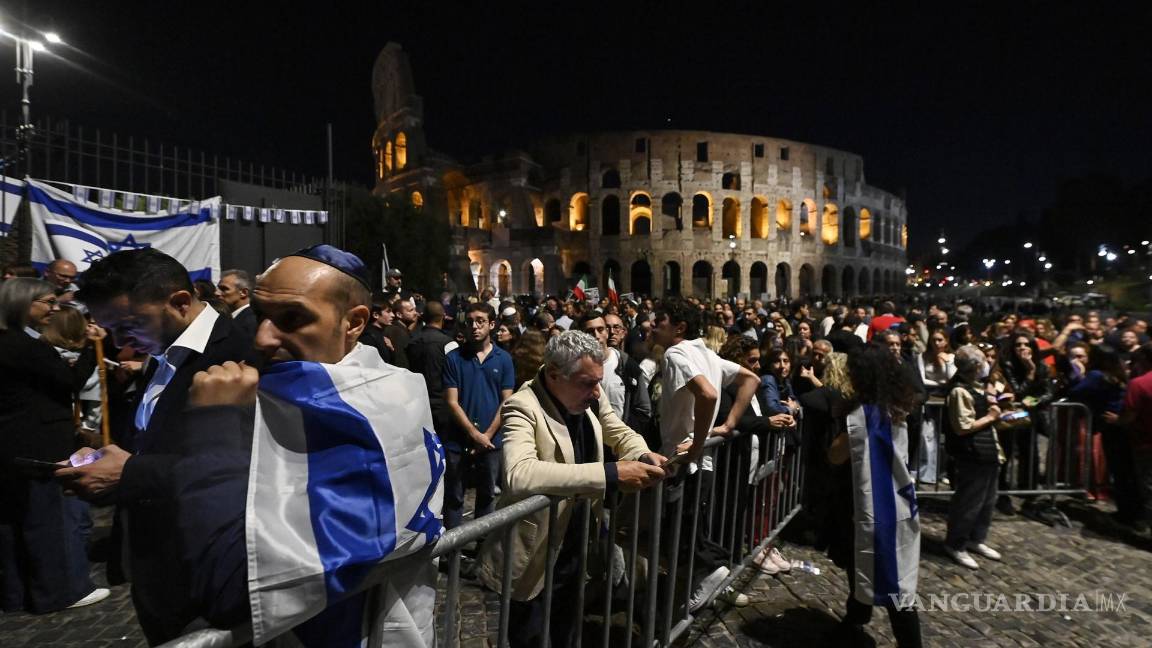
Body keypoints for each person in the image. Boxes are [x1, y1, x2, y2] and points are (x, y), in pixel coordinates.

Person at [167, 244, 442, 645]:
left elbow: (232, 589)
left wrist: (214, 423)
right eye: (261, 315)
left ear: (354, 322)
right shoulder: (390, 385)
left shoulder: (356, 421)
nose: (261, 337)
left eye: (293, 318)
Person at [55, 248, 252, 645]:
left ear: (179, 302)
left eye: (128, 325)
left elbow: (248, 467)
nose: (118, 341)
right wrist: (98, 461)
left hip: (209, 571)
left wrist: (128, 473)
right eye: (109, 328)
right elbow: (149, 439)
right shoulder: (163, 349)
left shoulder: (241, 353)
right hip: (157, 565)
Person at [476, 331, 666, 648]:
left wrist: (641, 453)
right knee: (530, 636)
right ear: (554, 374)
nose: (596, 392)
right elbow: (519, 473)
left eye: (598, 382)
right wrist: (611, 473)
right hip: (534, 552)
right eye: (587, 384)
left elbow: (615, 428)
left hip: (576, 543)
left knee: (568, 630)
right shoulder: (523, 406)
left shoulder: (589, 389)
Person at [0, 278, 109, 613]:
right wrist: (92, 348)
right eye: (47, 302)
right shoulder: (24, 346)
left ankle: (14, 595)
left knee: (11, 524)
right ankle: (59, 593)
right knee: (46, 522)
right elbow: (70, 382)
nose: (54, 309)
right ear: (23, 303)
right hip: (39, 444)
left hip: (11, 444)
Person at [651, 298, 759, 610]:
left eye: (660, 319)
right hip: (698, 459)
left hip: (682, 459)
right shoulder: (707, 354)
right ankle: (702, 579)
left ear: (679, 327)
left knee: (682, 531)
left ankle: (712, 572)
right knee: (688, 527)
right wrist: (727, 424)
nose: (652, 324)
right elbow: (748, 379)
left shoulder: (676, 354)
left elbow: (709, 394)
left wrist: (698, 444)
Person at [836, 344, 923, 647]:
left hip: (872, 507)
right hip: (897, 502)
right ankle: (853, 622)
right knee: (872, 574)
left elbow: (836, 456)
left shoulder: (864, 416)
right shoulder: (900, 406)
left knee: (890, 582)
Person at [442, 302, 515, 528]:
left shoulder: (503, 359)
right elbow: (452, 402)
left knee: (487, 496)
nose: (474, 326)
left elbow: (507, 402)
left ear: (491, 324)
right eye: (470, 321)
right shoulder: (454, 358)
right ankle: (450, 554)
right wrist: (475, 435)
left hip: (491, 442)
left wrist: (487, 435)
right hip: (458, 440)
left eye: (480, 321)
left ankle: (482, 554)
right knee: (454, 497)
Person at [943, 344, 1004, 571]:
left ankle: (976, 538)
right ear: (976, 365)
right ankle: (955, 543)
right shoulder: (959, 391)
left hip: (987, 451)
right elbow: (962, 426)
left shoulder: (975, 387)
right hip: (972, 453)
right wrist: (990, 417)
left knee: (987, 501)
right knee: (969, 502)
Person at [407, 300, 455, 441]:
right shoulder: (448, 343)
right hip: (442, 405)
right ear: (443, 316)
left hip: (418, 403)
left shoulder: (412, 342)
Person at [216, 269, 258, 340]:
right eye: (218, 288)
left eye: (224, 289)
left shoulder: (250, 322)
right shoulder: (231, 318)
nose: (217, 293)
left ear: (244, 292)